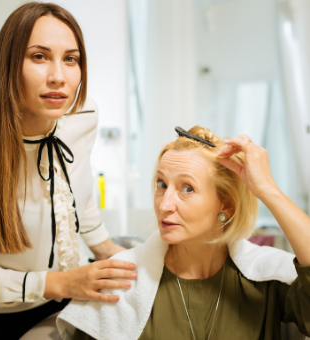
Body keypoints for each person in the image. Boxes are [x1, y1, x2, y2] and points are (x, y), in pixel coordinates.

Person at [0, 3, 136, 340]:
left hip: (64, 304)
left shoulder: (83, 118)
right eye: (39, 56)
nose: (58, 76)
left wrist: (104, 248)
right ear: (9, 65)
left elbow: (79, 191)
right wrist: (59, 282)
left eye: (71, 59)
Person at [58, 125, 310, 340]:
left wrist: (268, 190)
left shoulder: (267, 280)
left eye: (186, 188)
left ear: (226, 205)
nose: (164, 205)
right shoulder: (120, 282)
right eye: (162, 184)